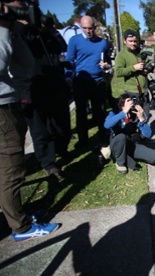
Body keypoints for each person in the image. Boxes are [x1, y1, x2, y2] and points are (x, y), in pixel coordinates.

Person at [0, 3, 60, 242]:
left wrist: (12, 29)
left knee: (9, 169)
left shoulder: (8, 30)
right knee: (11, 171)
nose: (22, 10)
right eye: (15, 6)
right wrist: (4, 27)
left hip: (7, 104)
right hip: (2, 108)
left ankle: (16, 214)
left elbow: (25, 63)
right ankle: (21, 228)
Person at [11, 11, 71, 178]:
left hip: (55, 86)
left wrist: (51, 30)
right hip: (33, 88)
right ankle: (48, 163)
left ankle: (62, 149)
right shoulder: (18, 30)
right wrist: (27, 25)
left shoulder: (46, 34)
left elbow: (61, 48)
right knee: (41, 130)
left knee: (61, 125)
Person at [65, 15, 112, 149]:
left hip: (98, 82)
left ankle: (103, 138)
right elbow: (69, 61)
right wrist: (68, 77)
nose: (87, 31)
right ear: (81, 27)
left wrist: (107, 66)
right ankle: (83, 140)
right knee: (81, 112)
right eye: (84, 28)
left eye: (90, 28)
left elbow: (107, 60)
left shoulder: (102, 43)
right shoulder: (74, 41)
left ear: (94, 27)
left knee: (100, 112)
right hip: (81, 81)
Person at [104, 93, 155, 174]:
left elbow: (148, 135)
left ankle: (124, 155)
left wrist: (141, 118)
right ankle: (120, 163)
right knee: (121, 137)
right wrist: (123, 113)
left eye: (132, 101)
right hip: (117, 144)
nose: (131, 103)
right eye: (128, 101)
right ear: (121, 105)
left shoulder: (134, 115)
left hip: (130, 144)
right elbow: (107, 125)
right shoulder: (114, 113)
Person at [114, 29, 151, 117]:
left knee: (145, 117)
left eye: (135, 41)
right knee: (133, 119)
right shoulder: (121, 55)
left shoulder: (140, 53)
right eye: (130, 41)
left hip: (144, 91)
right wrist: (133, 68)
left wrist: (147, 69)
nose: (133, 43)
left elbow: (148, 64)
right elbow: (118, 72)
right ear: (125, 41)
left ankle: (144, 130)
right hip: (132, 91)